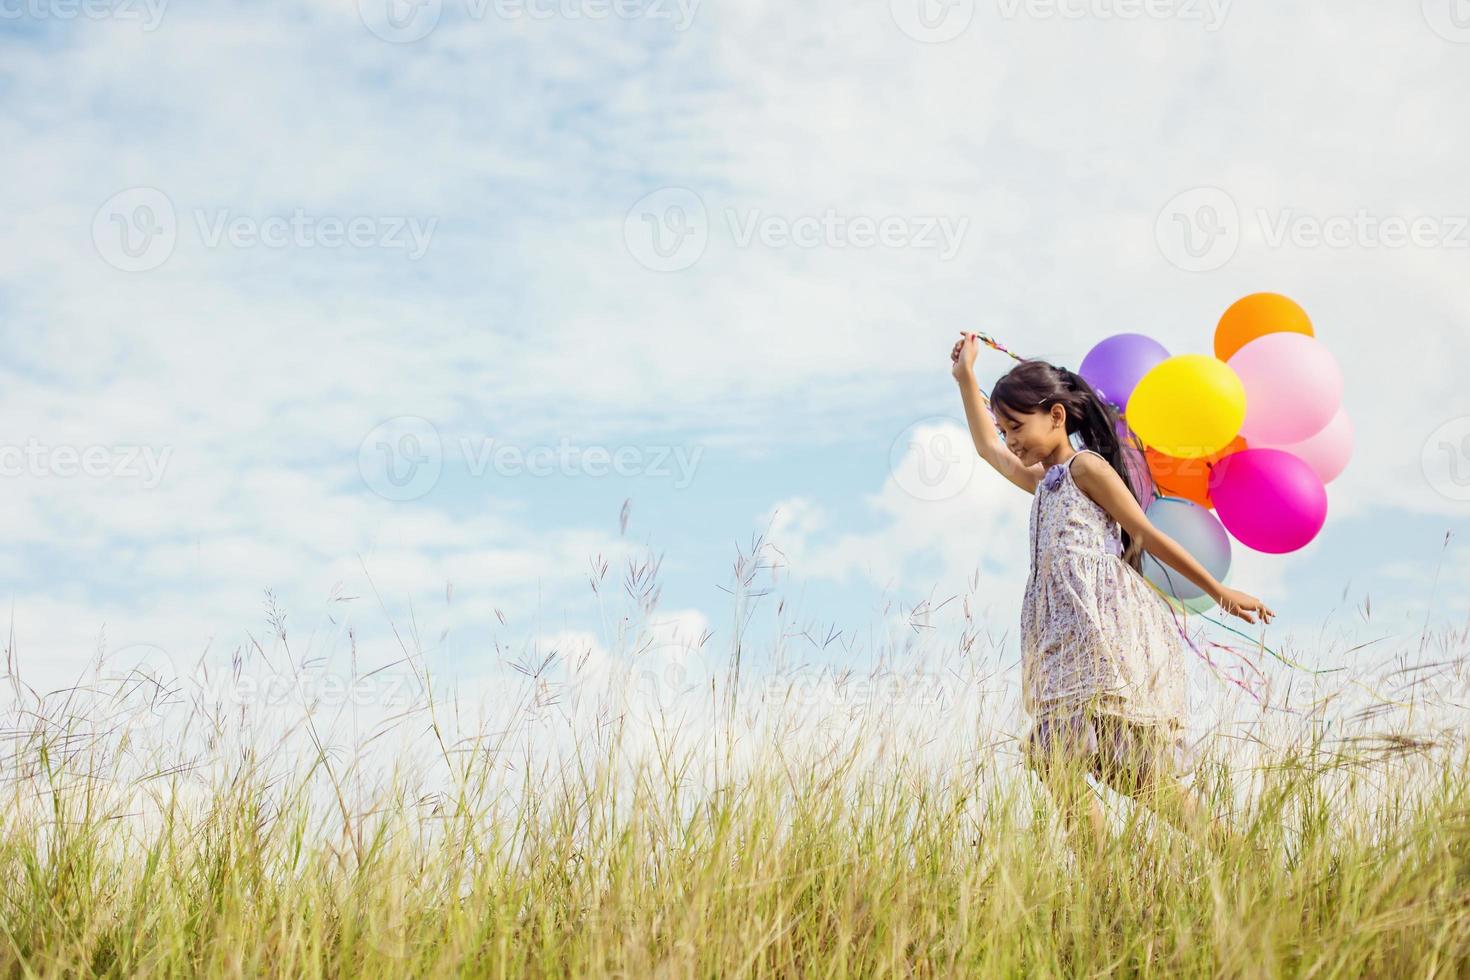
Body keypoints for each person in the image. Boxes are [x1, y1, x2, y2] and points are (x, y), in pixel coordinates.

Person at [950, 330, 1274, 862]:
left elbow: (1147, 534)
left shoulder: (1085, 469)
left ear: (1056, 415)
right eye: (1005, 428)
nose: (1010, 440)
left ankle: (1139, 868)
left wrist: (1218, 591)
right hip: (1060, 634)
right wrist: (966, 379)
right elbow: (987, 450)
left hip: (1099, 627)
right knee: (1086, 761)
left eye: (1017, 427)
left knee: (1075, 756)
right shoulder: (1045, 481)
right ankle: (1133, 870)